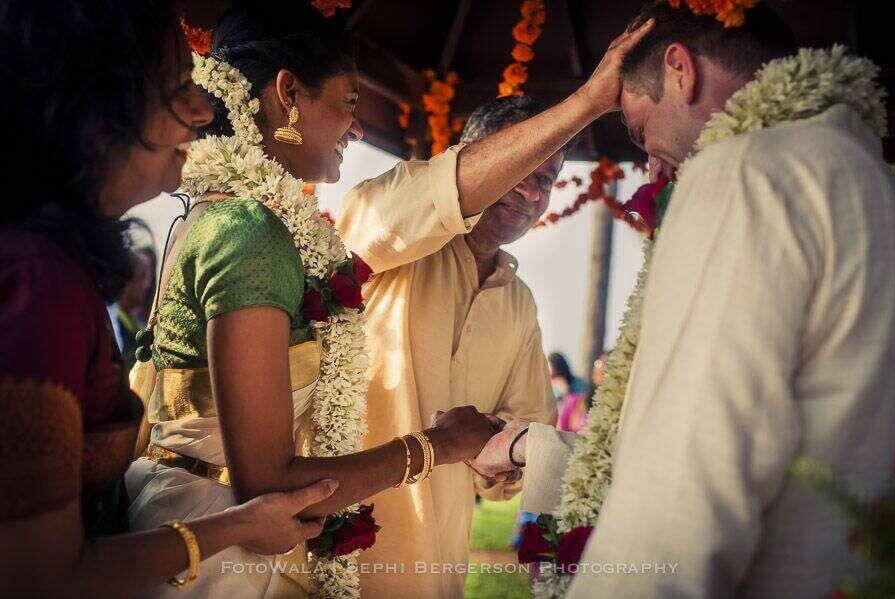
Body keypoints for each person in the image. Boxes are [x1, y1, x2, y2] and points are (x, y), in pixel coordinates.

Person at [471, 2, 895, 597]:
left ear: (681, 70)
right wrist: (531, 443)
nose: (649, 163)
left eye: (640, 130)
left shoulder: (746, 174)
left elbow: (682, 494)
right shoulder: (868, 176)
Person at [123, 4, 499, 597]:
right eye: (349, 103)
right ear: (288, 92)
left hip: (196, 522)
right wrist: (441, 446)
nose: (355, 128)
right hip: (205, 547)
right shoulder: (247, 229)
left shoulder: (223, 213)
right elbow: (269, 484)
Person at [0, 1, 347, 596]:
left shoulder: (53, 267)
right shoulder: (38, 286)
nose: (202, 110)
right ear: (91, 107)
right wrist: (432, 448)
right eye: (176, 86)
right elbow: (41, 579)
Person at [337, 95, 563, 596]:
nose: (529, 190)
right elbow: (428, 198)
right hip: (340, 542)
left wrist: (501, 450)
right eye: (519, 163)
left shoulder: (518, 301)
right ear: (470, 155)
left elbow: (527, 434)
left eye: (545, 178)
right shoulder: (394, 228)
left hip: (438, 565)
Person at [548, 351, 587, 432]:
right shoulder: (549, 384)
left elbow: (579, 404)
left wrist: (566, 391)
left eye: (549, 365)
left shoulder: (577, 383)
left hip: (572, 424)